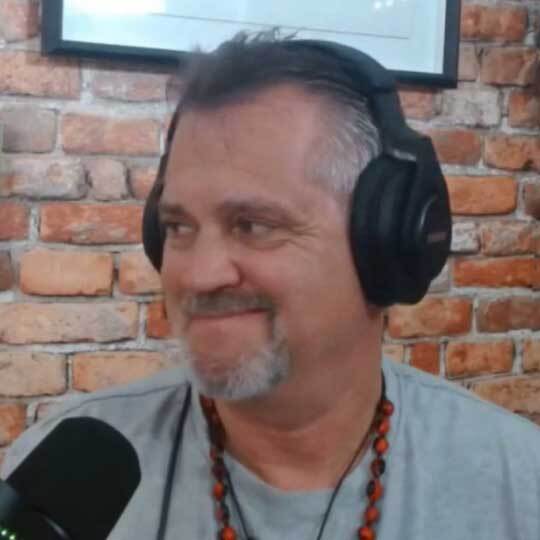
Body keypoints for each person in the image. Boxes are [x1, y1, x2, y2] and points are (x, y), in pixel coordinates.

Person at [2, 33, 539, 540]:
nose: (197, 274)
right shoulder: (53, 488)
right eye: (179, 227)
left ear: (391, 242)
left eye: (253, 225)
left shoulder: (518, 484)